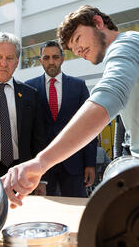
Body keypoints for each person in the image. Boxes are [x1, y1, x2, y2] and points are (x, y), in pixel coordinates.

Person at [2, 5, 139, 208]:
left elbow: (109, 95)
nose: (78, 50)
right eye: (74, 49)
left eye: (77, 39)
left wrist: (42, 162)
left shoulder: (125, 45)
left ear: (98, 23)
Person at [0, 32, 46, 193]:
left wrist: (42, 178)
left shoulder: (30, 94)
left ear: (17, 61)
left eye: (10, 58)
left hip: (20, 174)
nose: (3, 63)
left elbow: (38, 139)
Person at [25, 40, 97, 197]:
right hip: (42, 166)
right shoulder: (29, 88)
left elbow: (89, 126)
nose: (51, 62)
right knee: (44, 215)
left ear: (63, 59)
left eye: (55, 57)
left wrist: (90, 164)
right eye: (46, 58)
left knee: (76, 210)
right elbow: (27, 131)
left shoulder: (78, 86)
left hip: (74, 164)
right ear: (40, 60)